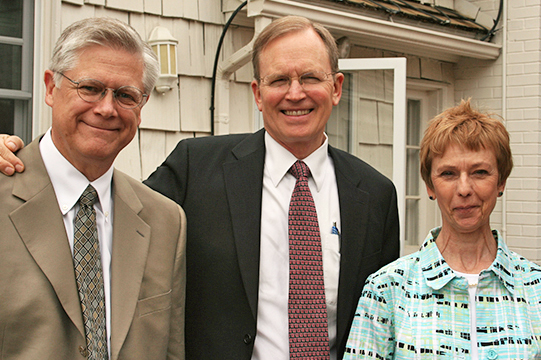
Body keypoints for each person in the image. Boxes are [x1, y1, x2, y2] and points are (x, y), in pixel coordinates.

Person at [0, 15, 399, 360]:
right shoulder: (195, 168)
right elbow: (97, 208)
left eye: (310, 77)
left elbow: (382, 323)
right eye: (279, 79)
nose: (295, 93)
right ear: (258, 94)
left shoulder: (376, 195)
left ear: (337, 87)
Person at [0, 18, 186, 360]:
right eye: (90, 88)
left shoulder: (166, 221)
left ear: (141, 107)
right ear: (50, 88)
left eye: (125, 95)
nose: (106, 108)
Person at [343, 99, 541, 359]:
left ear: (501, 181)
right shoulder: (388, 289)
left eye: (480, 172)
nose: (464, 189)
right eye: (448, 174)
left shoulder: (534, 287)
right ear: (430, 186)